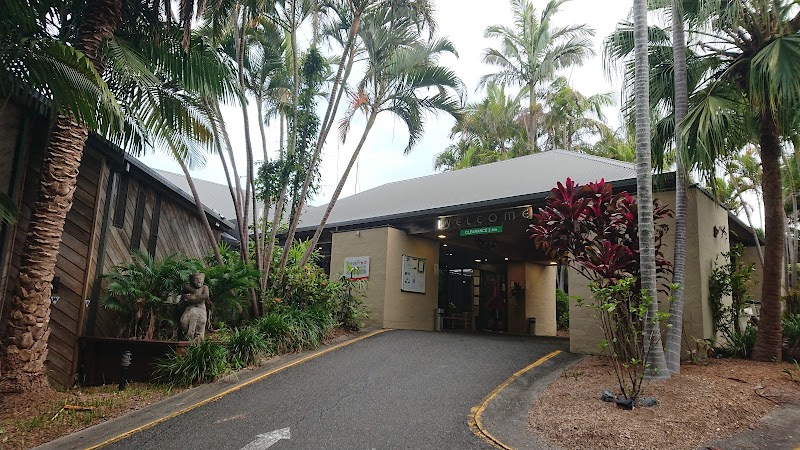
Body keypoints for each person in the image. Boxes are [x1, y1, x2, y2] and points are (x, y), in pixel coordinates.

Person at [180, 272, 210, 341]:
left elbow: (206, 296)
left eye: (201, 279)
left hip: (201, 309)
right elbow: (184, 297)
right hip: (190, 309)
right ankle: (186, 338)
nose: (199, 281)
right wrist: (191, 298)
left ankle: (197, 342)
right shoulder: (187, 287)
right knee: (183, 322)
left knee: (200, 326)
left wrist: (194, 298)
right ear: (191, 280)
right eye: (196, 279)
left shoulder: (204, 287)